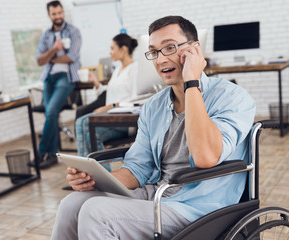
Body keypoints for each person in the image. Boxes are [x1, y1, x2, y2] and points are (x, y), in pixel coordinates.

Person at [51, 15, 256, 239]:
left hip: (200, 208)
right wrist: (95, 181)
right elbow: (138, 167)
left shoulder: (232, 97)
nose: (160, 60)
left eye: (169, 48)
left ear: (195, 50)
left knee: (97, 213)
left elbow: (206, 157)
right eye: (154, 52)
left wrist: (191, 84)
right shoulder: (153, 106)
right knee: (72, 203)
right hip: (158, 194)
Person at [75, 33, 138, 162]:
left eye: (112, 48)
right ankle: (89, 172)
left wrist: (110, 106)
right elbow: (110, 92)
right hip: (109, 118)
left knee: (85, 127)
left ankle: (99, 173)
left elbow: (137, 99)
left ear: (123, 49)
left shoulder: (135, 69)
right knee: (83, 127)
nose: (110, 52)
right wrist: (95, 82)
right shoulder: (118, 69)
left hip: (124, 121)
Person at [34, 0, 82, 169]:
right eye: (54, 14)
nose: (58, 16)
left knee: (52, 110)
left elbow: (71, 57)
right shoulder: (46, 35)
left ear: (63, 13)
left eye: (60, 13)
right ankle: (51, 155)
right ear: (49, 15)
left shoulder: (73, 31)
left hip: (66, 77)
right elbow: (40, 60)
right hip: (49, 77)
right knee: (50, 114)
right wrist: (54, 49)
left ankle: (41, 153)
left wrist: (50, 58)